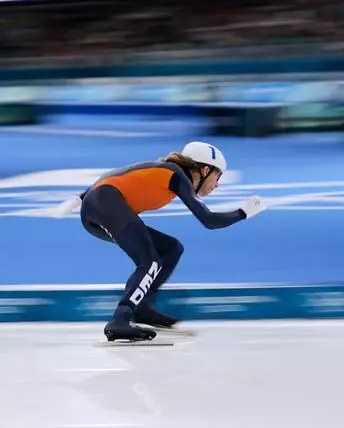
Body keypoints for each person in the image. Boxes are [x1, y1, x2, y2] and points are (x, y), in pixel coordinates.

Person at [59, 141, 266, 342]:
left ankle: (142, 307)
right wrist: (243, 213)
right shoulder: (176, 175)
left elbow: (120, 174)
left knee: (170, 248)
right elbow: (208, 220)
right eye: (218, 175)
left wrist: (80, 198)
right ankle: (119, 320)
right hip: (103, 205)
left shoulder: (166, 170)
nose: (217, 184)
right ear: (204, 170)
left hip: (98, 208)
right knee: (149, 261)